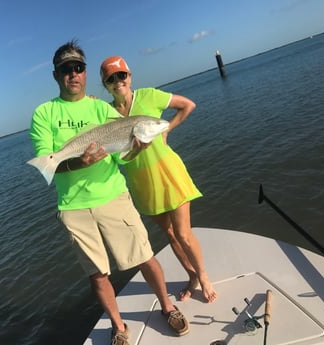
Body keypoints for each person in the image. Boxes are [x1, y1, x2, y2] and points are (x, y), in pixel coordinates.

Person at [30, 40, 189, 345]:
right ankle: (119, 328)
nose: (72, 74)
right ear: (56, 75)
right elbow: (50, 162)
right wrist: (79, 161)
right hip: (73, 206)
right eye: (66, 70)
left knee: (145, 256)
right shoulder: (43, 114)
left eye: (78, 68)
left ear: (85, 73)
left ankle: (168, 307)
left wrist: (137, 148)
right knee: (97, 274)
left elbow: (122, 157)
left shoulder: (102, 109)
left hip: (114, 196)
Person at [100, 56, 217, 303]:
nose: (117, 81)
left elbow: (188, 105)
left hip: (168, 173)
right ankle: (192, 276)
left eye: (121, 75)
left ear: (129, 76)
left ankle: (204, 277)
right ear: (105, 85)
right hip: (141, 183)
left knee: (184, 233)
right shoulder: (105, 113)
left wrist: (167, 130)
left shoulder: (149, 96)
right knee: (171, 235)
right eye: (111, 79)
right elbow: (115, 155)